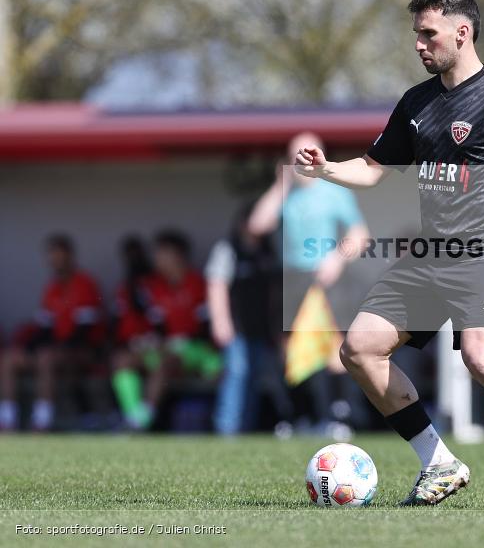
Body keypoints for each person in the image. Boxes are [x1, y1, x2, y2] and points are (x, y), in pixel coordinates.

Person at [292, 0, 484, 508]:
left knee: (482, 359)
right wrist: (328, 169)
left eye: (428, 34)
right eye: (416, 35)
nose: (420, 45)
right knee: (359, 349)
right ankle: (439, 462)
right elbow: (375, 170)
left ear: (461, 32)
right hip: (433, 254)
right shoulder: (416, 103)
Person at [249, 132, 370, 435]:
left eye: (306, 153)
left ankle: (338, 418)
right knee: (291, 349)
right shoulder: (285, 193)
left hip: (327, 278)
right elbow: (257, 226)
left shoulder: (334, 192)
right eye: (295, 155)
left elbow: (359, 236)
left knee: (333, 349)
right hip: (292, 278)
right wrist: (280, 185)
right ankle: (297, 416)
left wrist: (336, 259)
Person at [111, 230, 220, 430]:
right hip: (166, 348)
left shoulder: (199, 283)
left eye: (161, 253)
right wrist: (150, 340)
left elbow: (207, 329)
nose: (156, 259)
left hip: (199, 351)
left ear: (176, 255)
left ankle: (143, 420)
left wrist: (178, 341)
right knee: (123, 360)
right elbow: (156, 326)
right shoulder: (154, 286)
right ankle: (133, 417)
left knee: (166, 362)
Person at [0, 235, 104, 431]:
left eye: (59, 256)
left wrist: (55, 347)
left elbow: (84, 331)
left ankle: (42, 421)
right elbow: (43, 329)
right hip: (55, 350)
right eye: (52, 257)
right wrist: (27, 349)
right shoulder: (52, 288)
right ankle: (7, 421)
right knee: (9, 358)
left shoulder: (84, 283)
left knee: (45, 357)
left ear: (70, 256)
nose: (55, 261)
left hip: (83, 351)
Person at [206, 202, 290, 435]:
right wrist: (221, 322)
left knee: (256, 378)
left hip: (262, 330)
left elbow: (275, 293)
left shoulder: (269, 252)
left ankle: (246, 429)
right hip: (236, 329)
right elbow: (216, 286)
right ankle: (227, 428)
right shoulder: (228, 250)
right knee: (237, 374)